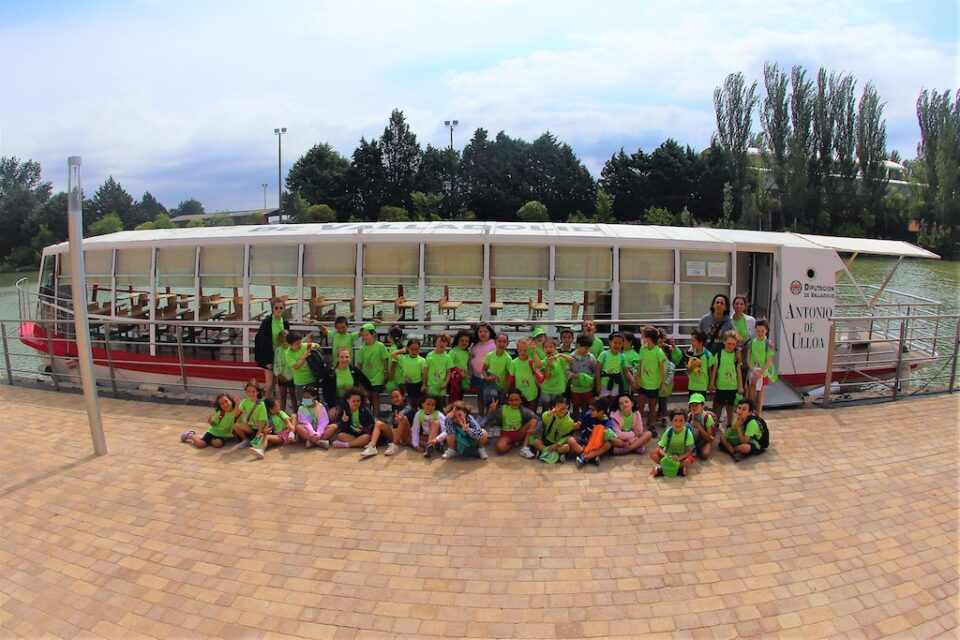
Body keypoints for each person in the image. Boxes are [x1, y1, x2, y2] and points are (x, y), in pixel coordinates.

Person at [332, 387, 393, 458]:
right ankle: (358, 443)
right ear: (348, 400)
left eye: (358, 401)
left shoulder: (365, 410)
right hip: (354, 435)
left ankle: (347, 445)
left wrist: (362, 428)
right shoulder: (345, 411)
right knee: (341, 435)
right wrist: (344, 421)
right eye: (354, 401)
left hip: (365, 434)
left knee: (366, 438)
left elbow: (372, 425)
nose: (356, 403)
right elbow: (342, 428)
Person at [485, 389, 539, 458]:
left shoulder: (524, 410)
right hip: (506, 434)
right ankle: (515, 444)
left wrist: (535, 429)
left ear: (521, 401)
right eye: (511, 400)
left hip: (519, 432)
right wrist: (492, 411)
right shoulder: (503, 409)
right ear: (508, 401)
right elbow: (490, 420)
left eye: (516, 400)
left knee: (533, 421)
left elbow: (537, 419)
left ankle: (524, 447)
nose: (514, 402)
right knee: (500, 448)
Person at [253, 297, 289, 400]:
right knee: (269, 385)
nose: (278, 310)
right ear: (272, 309)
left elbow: (287, 341)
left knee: (280, 385)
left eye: (281, 308)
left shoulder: (285, 323)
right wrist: (267, 361)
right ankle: (261, 405)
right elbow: (262, 343)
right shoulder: (267, 323)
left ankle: (274, 407)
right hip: (269, 356)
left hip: (281, 357)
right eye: (276, 308)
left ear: (284, 309)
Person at [709, 330, 743, 429]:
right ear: (724, 342)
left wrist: (740, 386)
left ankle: (729, 424)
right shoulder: (719, 354)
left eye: (733, 344)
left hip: (732, 385)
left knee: (730, 406)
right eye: (729, 343)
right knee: (718, 406)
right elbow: (714, 369)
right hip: (721, 385)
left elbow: (738, 371)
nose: (730, 346)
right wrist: (711, 383)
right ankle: (715, 424)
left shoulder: (736, 356)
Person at [320, 347, 372, 413]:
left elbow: (367, 383)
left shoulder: (353, 370)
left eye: (347, 357)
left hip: (353, 401)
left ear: (350, 358)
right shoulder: (330, 372)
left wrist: (363, 395)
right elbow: (326, 392)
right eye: (341, 357)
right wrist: (334, 406)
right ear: (338, 358)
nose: (344, 359)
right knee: (332, 415)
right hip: (338, 401)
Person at [635, 326, 666, 432]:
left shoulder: (658, 352)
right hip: (643, 383)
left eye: (643, 336)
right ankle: (637, 426)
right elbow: (640, 364)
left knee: (652, 407)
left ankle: (651, 425)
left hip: (654, 384)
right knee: (640, 406)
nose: (642, 338)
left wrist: (663, 383)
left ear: (648, 338)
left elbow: (662, 369)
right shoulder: (642, 349)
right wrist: (637, 378)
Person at [532, 396, 580, 463]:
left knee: (566, 447)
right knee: (536, 442)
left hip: (558, 444)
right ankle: (554, 456)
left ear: (567, 407)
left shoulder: (570, 422)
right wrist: (550, 413)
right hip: (547, 440)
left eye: (563, 408)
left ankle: (545, 453)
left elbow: (568, 436)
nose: (561, 410)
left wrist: (558, 444)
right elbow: (543, 417)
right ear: (554, 408)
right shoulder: (551, 416)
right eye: (558, 408)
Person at [650, 410, 696, 477]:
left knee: (689, 460)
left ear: (685, 422)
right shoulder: (668, 432)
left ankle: (662, 469)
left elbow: (688, 451)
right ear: (671, 421)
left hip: (681, 456)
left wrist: (679, 458)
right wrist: (666, 455)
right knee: (653, 455)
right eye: (675, 420)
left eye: (681, 420)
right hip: (669, 455)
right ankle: (679, 470)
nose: (678, 423)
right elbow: (660, 448)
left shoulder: (688, 434)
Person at [574, 396, 616, 469]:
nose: (590, 411)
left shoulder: (606, 422)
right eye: (590, 409)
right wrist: (576, 425)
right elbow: (579, 425)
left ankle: (584, 457)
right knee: (570, 441)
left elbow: (612, 435)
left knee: (608, 445)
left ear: (601, 412)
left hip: (596, 446)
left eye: (593, 410)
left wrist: (605, 431)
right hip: (584, 443)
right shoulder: (588, 415)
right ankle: (593, 457)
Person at [357, 323, 389, 416]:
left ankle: (376, 418)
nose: (364, 337)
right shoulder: (362, 348)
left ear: (373, 334)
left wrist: (386, 373)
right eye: (363, 335)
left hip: (378, 376)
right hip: (366, 376)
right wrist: (357, 377)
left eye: (367, 335)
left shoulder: (380, 346)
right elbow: (359, 364)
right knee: (367, 398)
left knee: (375, 397)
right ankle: (369, 418)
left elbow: (385, 360)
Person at [282, 331, 321, 408]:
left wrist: (316, 347)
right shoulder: (288, 353)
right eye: (297, 344)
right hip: (301, 383)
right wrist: (305, 356)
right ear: (290, 344)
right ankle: (306, 419)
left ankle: (316, 418)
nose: (299, 345)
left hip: (311, 380)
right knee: (305, 404)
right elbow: (296, 366)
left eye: (300, 342)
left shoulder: (304, 346)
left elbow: (315, 345)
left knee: (314, 403)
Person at [744, 319, 776, 415]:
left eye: (762, 331)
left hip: (763, 374)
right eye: (758, 331)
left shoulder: (768, 344)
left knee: (759, 400)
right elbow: (748, 360)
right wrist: (754, 372)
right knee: (751, 399)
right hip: (753, 373)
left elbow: (769, 361)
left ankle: (758, 418)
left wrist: (760, 373)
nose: (760, 333)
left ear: (766, 330)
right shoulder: (752, 342)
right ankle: (751, 417)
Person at [390, 338, 427, 410]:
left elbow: (424, 374)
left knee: (419, 402)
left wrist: (424, 385)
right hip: (408, 384)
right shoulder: (404, 358)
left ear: (419, 349)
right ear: (408, 348)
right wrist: (402, 350)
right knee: (411, 402)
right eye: (412, 349)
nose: (414, 351)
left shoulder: (422, 360)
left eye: (416, 349)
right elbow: (393, 354)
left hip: (418, 384)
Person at [470, 323, 498, 415]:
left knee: (489, 397)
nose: (483, 333)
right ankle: (481, 415)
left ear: (490, 332)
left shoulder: (494, 344)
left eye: (485, 331)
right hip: (476, 376)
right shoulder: (475, 345)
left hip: (488, 376)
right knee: (480, 396)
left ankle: (489, 416)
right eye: (480, 331)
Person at [568, 335, 598, 420]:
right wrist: (572, 375)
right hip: (575, 388)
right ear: (578, 345)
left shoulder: (590, 357)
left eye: (588, 348)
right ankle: (575, 423)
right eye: (585, 348)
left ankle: (585, 422)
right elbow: (566, 371)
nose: (587, 350)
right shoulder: (571, 357)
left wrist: (590, 379)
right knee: (575, 406)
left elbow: (595, 370)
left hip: (587, 388)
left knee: (586, 406)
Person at [596, 332, 634, 400]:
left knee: (614, 403)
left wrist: (633, 381)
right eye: (615, 342)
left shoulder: (622, 356)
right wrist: (598, 384)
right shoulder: (603, 354)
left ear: (622, 344)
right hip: (604, 383)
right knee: (603, 403)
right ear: (610, 342)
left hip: (616, 383)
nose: (617, 345)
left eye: (619, 343)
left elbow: (626, 372)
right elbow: (598, 370)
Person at [233, 380, 268, 449]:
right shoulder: (244, 401)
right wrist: (237, 404)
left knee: (258, 442)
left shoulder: (261, 404)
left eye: (253, 391)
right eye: (248, 391)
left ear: (257, 392)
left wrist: (259, 431)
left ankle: (257, 441)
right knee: (236, 426)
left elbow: (261, 420)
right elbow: (236, 414)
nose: (251, 394)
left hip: (259, 428)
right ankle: (246, 440)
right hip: (250, 428)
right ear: (246, 392)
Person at [480, 333, 512, 409]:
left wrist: (505, 389)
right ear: (495, 342)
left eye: (504, 342)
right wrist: (487, 378)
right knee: (490, 404)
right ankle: (487, 418)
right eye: (499, 341)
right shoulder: (490, 355)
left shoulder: (508, 358)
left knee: (500, 407)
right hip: (490, 384)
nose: (501, 344)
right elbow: (484, 369)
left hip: (501, 387)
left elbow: (509, 376)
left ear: (507, 344)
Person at [539, 337, 571, 412]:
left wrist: (560, 354)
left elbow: (571, 359)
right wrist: (548, 365)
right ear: (543, 349)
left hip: (558, 389)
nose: (548, 349)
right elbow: (547, 376)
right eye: (546, 347)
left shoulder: (560, 360)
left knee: (557, 410)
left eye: (550, 347)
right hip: (547, 389)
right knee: (546, 409)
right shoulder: (543, 362)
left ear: (555, 348)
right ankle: (545, 423)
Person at [508, 337, 541, 410]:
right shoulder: (514, 363)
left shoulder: (532, 361)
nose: (522, 352)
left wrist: (534, 351)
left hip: (532, 391)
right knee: (520, 412)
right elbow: (511, 378)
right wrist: (508, 390)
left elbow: (539, 366)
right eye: (520, 350)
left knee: (532, 412)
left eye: (525, 350)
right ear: (517, 350)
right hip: (519, 392)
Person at [384, 388, 417, 456]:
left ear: (403, 397)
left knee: (403, 418)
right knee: (379, 424)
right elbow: (389, 420)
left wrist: (399, 417)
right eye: (393, 397)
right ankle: (372, 446)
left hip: (407, 437)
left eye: (397, 397)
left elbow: (402, 413)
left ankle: (394, 445)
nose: (395, 399)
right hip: (396, 434)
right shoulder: (394, 407)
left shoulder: (408, 407)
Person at [424, 334, 454, 406]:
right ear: (435, 343)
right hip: (431, 385)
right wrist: (424, 384)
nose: (442, 344)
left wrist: (445, 383)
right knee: (430, 404)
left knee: (441, 405)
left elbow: (449, 372)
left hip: (441, 386)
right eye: (440, 341)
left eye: (444, 342)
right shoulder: (429, 355)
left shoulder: (447, 357)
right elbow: (425, 371)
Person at [684, 330, 713, 402]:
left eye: (694, 341)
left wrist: (711, 384)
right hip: (692, 386)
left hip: (702, 386)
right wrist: (692, 366)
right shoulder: (690, 353)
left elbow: (710, 370)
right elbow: (688, 371)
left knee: (700, 405)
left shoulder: (707, 354)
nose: (692, 343)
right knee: (692, 405)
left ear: (701, 343)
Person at [686, 393, 717, 460]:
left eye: (696, 405)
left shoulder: (707, 417)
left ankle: (698, 449)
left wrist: (698, 427)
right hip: (693, 439)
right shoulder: (690, 415)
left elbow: (708, 438)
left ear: (703, 406)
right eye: (692, 405)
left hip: (705, 440)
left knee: (705, 454)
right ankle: (695, 448)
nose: (694, 407)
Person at [274, 329, 296, 413]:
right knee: (282, 396)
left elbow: (294, 364)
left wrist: (290, 377)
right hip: (281, 376)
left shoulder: (292, 350)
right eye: (282, 341)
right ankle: (282, 413)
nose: (284, 343)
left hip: (291, 377)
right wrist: (278, 374)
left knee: (292, 395)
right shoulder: (278, 350)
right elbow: (276, 363)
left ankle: (295, 412)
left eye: (285, 341)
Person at [448, 330, 473, 403]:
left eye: (466, 341)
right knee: (453, 396)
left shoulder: (467, 352)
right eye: (462, 340)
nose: (464, 343)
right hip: (455, 379)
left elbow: (467, 365)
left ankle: (458, 411)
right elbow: (449, 366)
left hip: (463, 378)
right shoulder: (453, 351)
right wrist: (458, 372)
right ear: (457, 340)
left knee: (460, 396)